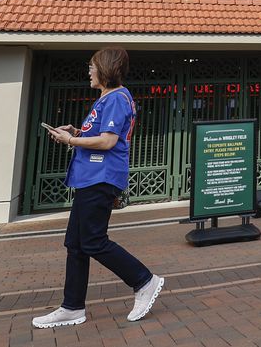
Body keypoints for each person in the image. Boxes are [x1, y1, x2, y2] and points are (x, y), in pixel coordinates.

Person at [33, 48, 164, 329]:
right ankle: (72, 307)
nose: (89, 71)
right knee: (76, 245)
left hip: (100, 178)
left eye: (92, 66)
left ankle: (144, 281)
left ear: (105, 68)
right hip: (90, 177)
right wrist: (77, 133)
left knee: (92, 241)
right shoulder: (107, 98)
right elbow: (99, 135)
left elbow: (107, 141)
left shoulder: (116, 98)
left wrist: (70, 141)